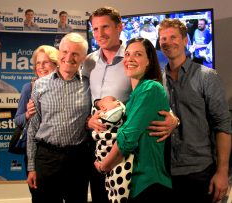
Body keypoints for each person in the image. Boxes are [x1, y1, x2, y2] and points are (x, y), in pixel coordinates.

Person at [82, 7, 178, 203]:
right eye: (95, 29)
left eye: (105, 27)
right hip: (99, 153)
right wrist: (88, 120)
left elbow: (158, 98)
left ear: (120, 27)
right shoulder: (88, 62)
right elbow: (85, 103)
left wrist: (174, 120)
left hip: (131, 163)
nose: (100, 34)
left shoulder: (135, 62)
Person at [158, 18, 231, 203]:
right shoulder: (157, 81)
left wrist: (222, 172)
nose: (167, 42)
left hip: (200, 172)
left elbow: (223, 126)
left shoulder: (207, 77)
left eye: (173, 37)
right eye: (163, 39)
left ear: (185, 41)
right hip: (165, 172)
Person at [95, 37, 172, 203]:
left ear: (149, 61)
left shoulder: (150, 88)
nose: (129, 59)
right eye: (127, 54)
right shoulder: (134, 96)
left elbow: (127, 138)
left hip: (148, 183)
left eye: (138, 54)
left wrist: (104, 166)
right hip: (132, 183)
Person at [26, 32, 91, 203]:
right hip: (46, 158)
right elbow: (33, 128)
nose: (68, 57)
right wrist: (31, 168)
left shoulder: (89, 85)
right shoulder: (40, 85)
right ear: (59, 52)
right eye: (65, 52)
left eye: (75, 53)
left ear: (83, 57)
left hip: (77, 159)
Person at [14, 45, 59, 203]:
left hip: (59, 151)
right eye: (38, 63)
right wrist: (28, 114)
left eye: (45, 62)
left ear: (56, 64)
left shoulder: (65, 87)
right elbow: (18, 119)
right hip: (35, 150)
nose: (41, 67)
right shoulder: (29, 88)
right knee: (39, 196)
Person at [92, 96, 133, 203]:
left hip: (115, 156)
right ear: (103, 108)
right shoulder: (107, 114)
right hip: (109, 152)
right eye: (114, 101)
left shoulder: (115, 112)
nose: (118, 102)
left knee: (117, 186)